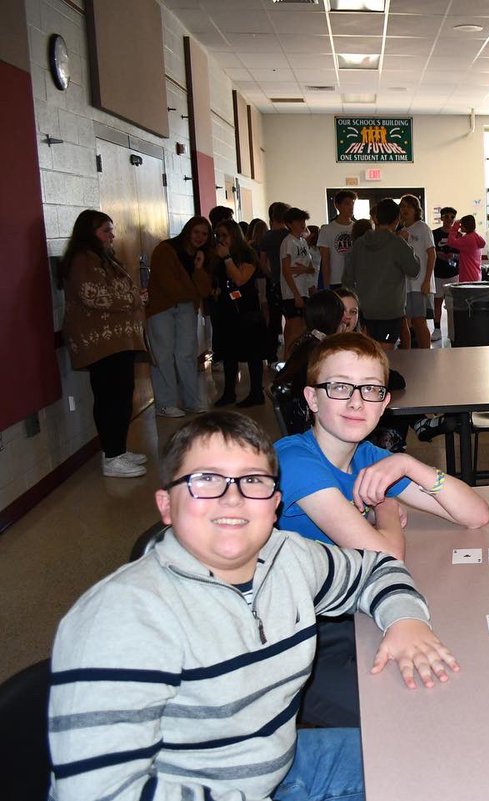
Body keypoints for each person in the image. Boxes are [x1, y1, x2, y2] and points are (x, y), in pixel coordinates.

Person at [48, 411, 460, 801]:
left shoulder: (287, 558)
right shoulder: (121, 618)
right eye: (205, 480)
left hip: (279, 768)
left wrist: (406, 620)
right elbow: (95, 792)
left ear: (275, 503)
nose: (232, 499)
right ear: (165, 505)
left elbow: (376, 569)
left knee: (440, 758)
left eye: (252, 481)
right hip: (206, 787)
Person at [275, 332, 489, 725]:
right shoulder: (293, 458)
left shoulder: (370, 456)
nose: (356, 401)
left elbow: (475, 515)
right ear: (312, 398)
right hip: (299, 629)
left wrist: (411, 467)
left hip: (356, 609)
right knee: (405, 708)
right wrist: (387, 507)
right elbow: (385, 558)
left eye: (371, 389)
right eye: (340, 387)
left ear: (384, 402)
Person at [60, 210, 148, 478]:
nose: (112, 236)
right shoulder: (81, 260)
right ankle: (112, 457)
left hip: (118, 341)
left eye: (112, 230)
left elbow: (122, 289)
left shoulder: (104, 258)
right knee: (110, 397)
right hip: (101, 343)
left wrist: (131, 294)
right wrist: (133, 297)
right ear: (89, 233)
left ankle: (118, 450)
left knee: (123, 395)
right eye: (106, 231)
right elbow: (94, 295)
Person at [147, 215, 213, 417]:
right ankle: (165, 404)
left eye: (204, 234)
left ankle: (191, 401)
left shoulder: (202, 256)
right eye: (196, 232)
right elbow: (169, 286)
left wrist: (199, 269)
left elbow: (205, 289)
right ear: (187, 231)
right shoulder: (165, 250)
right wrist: (193, 291)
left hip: (187, 308)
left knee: (186, 354)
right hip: (161, 308)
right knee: (163, 355)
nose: (200, 237)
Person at [342, 198, 419, 347]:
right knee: (385, 355)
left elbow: (347, 279)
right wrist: (408, 247)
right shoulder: (397, 243)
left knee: (370, 351)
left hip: (365, 308)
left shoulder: (359, 243)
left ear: (376, 218)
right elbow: (414, 269)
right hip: (390, 310)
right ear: (397, 220)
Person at [273, 291, 352, 434]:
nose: (347, 318)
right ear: (334, 319)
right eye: (343, 313)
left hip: (301, 423)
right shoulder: (326, 355)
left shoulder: (306, 343)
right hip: (317, 429)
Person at [211, 219, 268, 407]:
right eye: (218, 235)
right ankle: (228, 392)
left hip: (247, 310)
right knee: (229, 353)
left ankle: (256, 393)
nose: (221, 239)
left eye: (224, 235)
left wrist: (227, 258)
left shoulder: (247, 254)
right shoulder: (217, 256)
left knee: (253, 353)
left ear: (234, 235)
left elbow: (240, 279)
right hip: (227, 310)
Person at [398, 194, 435, 349]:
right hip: (405, 284)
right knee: (404, 321)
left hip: (419, 283)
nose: (405, 210)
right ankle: (408, 353)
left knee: (419, 320)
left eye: (408, 206)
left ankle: (426, 352)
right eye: (402, 206)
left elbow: (432, 254)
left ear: (415, 210)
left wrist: (427, 281)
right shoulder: (401, 231)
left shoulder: (423, 228)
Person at [280, 207, 318, 354]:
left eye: (303, 220)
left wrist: (305, 270)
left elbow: (310, 268)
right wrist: (295, 294)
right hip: (292, 292)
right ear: (289, 224)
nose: (302, 223)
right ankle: (288, 364)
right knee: (294, 330)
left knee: (301, 329)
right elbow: (286, 269)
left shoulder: (302, 241)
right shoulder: (288, 242)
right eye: (298, 221)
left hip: (304, 289)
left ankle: (294, 362)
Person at [257, 201, 291, 359]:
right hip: (290, 282)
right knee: (292, 319)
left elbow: (262, 262)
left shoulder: (267, 237)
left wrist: (270, 276)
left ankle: (271, 356)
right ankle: (291, 352)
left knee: (274, 319)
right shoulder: (289, 236)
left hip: (274, 282)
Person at [317, 189, 356, 289]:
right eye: (347, 204)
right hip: (336, 279)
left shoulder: (356, 228)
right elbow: (325, 260)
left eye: (352, 204)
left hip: (355, 279)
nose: (351, 207)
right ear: (337, 205)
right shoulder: (327, 230)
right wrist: (326, 287)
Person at [431, 206, 457, 342]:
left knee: (452, 304)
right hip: (438, 273)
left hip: (454, 273)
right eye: (446, 216)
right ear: (441, 218)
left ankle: (454, 330)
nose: (449, 219)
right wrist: (438, 254)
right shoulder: (434, 233)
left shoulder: (458, 235)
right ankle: (437, 329)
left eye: (452, 217)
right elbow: (430, 251)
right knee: (437, 302)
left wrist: (453, 256)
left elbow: (462, 253)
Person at [447, 214, 486, 283]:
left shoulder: (468, 238)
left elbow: (451, 242)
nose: (460, 226)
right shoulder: (476, 237)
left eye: (461, 224)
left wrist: (454, 227)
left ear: (466, 225)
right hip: (476, 275)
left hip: (467, 276)